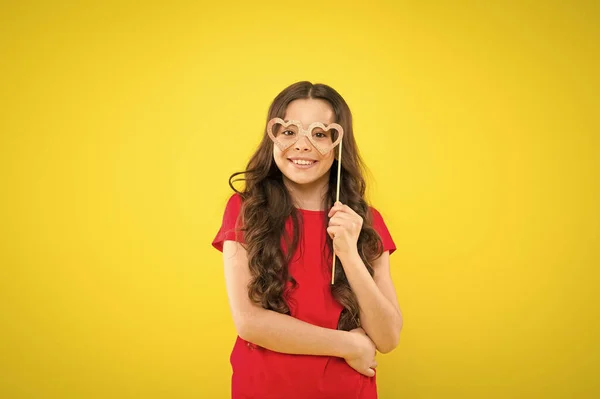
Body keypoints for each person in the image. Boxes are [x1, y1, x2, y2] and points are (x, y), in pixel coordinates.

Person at [212, 81, 403, 399]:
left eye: (318, 133)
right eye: (289, 131)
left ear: (337, 143)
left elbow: (387, 338)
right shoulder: (245, 211)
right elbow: (250, 322)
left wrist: (350, 255)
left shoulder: (367, 223)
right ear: (273, 136)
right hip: (264, 389)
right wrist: (349, 345)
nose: (302, 145)